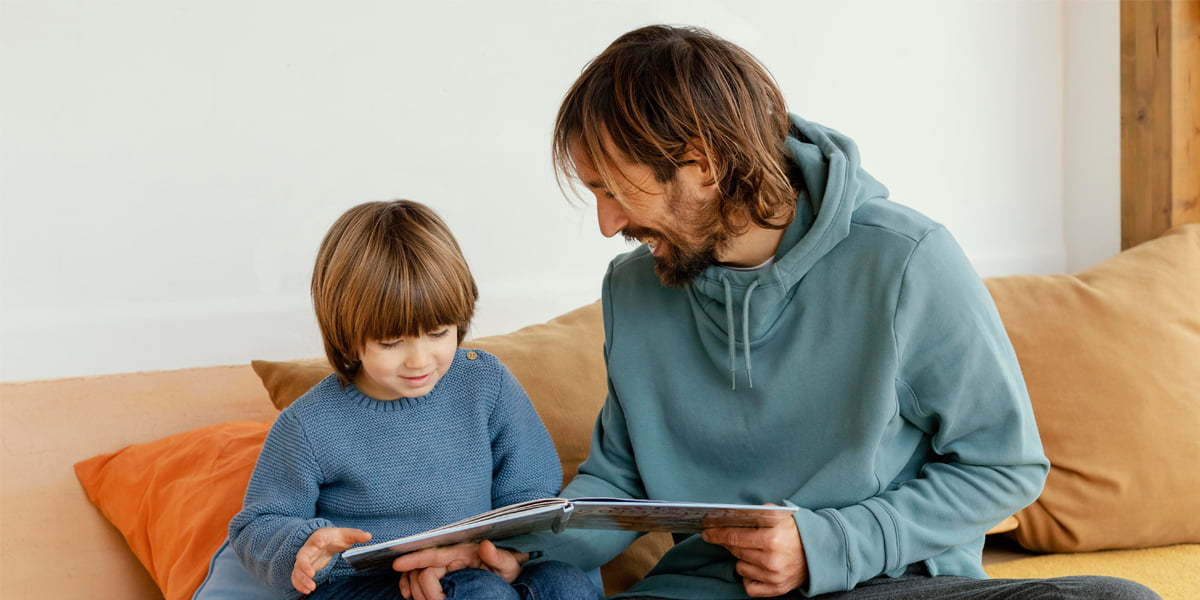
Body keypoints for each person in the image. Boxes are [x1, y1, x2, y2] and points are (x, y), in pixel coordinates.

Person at [390, 25, 1161, 600]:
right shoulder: (635, 292)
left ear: (702, 163)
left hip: (883, 584)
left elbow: (1005, 467)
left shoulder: (905, 261)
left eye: (614, 191)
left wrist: (829, 544)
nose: (607, 224)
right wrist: (508, 548)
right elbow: (620, 488)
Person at [227, 200, 598, 600]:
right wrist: (304, 543)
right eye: (391, 342)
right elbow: (257, 525)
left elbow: (529, 494)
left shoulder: (484, 382)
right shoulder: (309, 425)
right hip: (360, 584)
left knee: (566, 583)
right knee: (480, 594)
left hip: (473, 562)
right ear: (347, 336)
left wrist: (505, 551)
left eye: (438, 333)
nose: (419, 360)